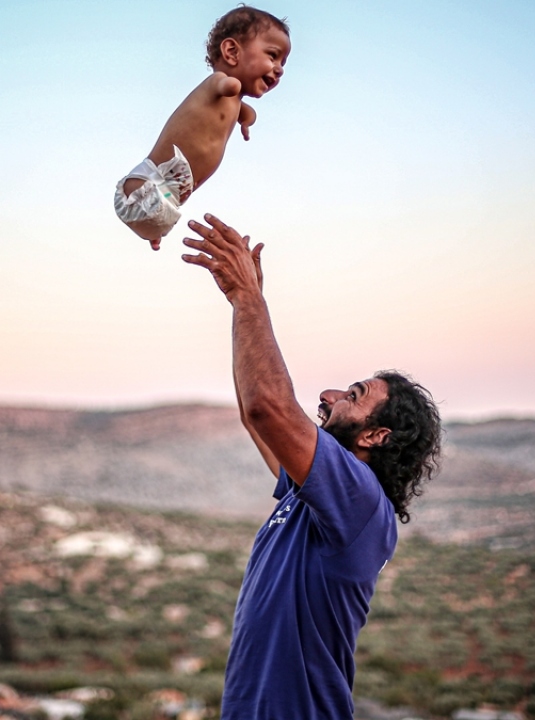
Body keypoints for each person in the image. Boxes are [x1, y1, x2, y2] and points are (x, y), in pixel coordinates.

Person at [181, 214, 443, 719]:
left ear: (374, 436)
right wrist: (244, 304)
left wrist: (249, 300)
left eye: (353, 396)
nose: (328, 395)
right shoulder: (317, 497)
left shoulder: (359, 499)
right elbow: (255, 417)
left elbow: (268, 408)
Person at [114, 7, 291, 250]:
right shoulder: (217, 83)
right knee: (156, 205)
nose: (280, 68)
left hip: (169, 196)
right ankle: (151, 226)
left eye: (283, 62)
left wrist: (247, 120)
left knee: (161, 216)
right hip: (148, 182)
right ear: (231, 52)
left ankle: (153, 231)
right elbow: (224, 85)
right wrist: (230, 87)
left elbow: (247, 112)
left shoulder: (236, 102)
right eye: (272, 56)